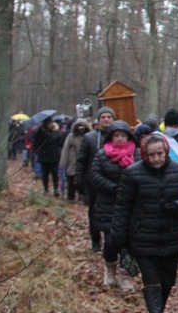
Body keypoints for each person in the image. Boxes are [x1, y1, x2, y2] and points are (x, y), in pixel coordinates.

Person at [111, 134, 178, 313]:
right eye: (152, 155)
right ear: (144, 155)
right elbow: (122, 207)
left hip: (172, 237)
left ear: (166, 153)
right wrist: (118, 238)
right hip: (142, 238)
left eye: (160, 154)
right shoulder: (132, 174)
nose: (156, 159)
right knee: (151, 280)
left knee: (167, 282)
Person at [90, 120, 139, 291]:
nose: (119, 139)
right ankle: (110, 266)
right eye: (116, 135)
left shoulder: (137, 154)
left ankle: (126, 273)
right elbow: (95, 176)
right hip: (107, 205)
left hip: (131, 205)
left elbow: (142, 174)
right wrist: (113, 188)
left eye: (122, 135)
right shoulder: (102, 154)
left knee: (129, 242)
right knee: (111, 241)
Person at [76, 106, 116, 251]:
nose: (106, 119)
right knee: (93, 212)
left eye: (109, 117)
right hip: (92, 182)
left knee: (109, 212)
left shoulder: (118, 137)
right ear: (98, 120)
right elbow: (81, 160)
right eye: (103, 117)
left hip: (112, 182)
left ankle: (110, 240)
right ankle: (95, 240)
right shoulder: (89, 137)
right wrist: (79, 181)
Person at [59, 119, 90, 202]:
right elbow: (65, 150)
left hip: (84, 161)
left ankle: (82, 195)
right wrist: (63, 163)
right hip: (72, 161)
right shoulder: (71, 136)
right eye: (80, 128)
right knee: (71, 180)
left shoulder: (88, 136)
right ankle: (71, 197)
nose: (81, 130)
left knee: (83, 180)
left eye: (83, 128)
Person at [32, 117, 63, 196]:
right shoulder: (40, 132)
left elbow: (58, 141)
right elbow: (35, 140)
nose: (50, 124)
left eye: (51, 122)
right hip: (44, 156)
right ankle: (46, 189)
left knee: (55, 174)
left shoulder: (55, 132)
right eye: (48, 123)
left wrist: (56, 131)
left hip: (54, 156)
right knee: (45, 174)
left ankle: (56, 189)